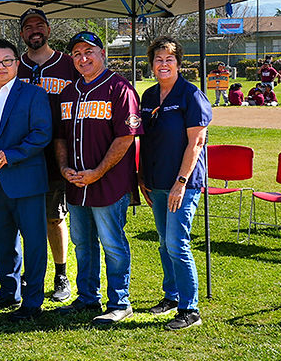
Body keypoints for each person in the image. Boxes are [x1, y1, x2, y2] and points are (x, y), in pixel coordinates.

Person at [54, 31, 142, 325]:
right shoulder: (68, 92)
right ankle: (87, 297)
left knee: (112, 243)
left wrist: (98, 172)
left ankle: (120, 302)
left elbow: (126, 137)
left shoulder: (119, 88)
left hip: (109, 184)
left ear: (102, 54)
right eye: (77, 53)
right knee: (82, 243)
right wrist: (63, 167)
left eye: (89, 51)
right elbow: (60, 137)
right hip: (77, 184)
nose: (83, 58)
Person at [0, 39, 53, 321]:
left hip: (26, 180)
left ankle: (32, 301)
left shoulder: (34, 94)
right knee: (3, 241)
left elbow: (42, 133)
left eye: (7, 61)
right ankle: (9, 292)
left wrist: (13, 154)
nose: (1, 66)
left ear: (17, 64)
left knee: (34, 243)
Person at [138, 37, 211, 331]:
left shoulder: (191, 95)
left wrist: (181, 182)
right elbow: (145, 139)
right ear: (151, 64)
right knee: (164, 242)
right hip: (156, 181)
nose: (163, 64)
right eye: (158, 59)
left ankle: (190, 309)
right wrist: (142, 176)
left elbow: (196, 143)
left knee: (177, 243)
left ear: (179, 63)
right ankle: (172, 295)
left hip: (183, 183)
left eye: (169, 59)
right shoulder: (149, 96)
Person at [16, 7, 76, 303]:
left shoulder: (68, 64)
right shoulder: (15, 65)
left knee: (54, 217)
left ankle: (61, 273)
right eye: (28, 27)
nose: (34, 30)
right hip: (23, 155)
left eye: (39, 25)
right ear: (22, 33)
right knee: (26, 220)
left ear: (49, 30)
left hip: (55, 153)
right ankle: (29, 273)